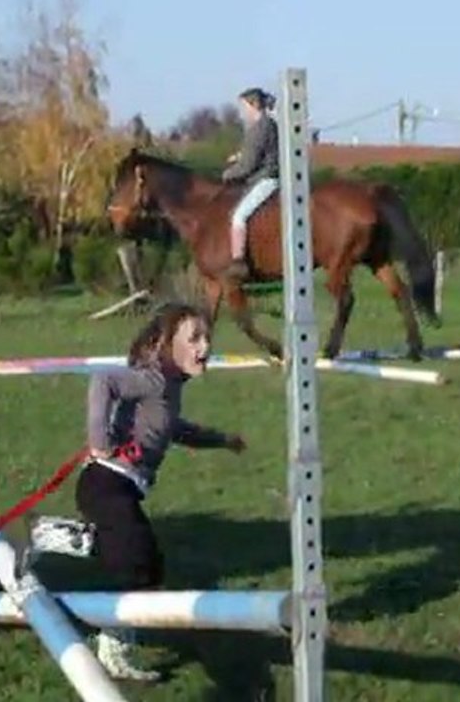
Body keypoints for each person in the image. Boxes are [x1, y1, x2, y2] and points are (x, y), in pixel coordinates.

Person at [75, 301, 247, 681]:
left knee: (149, 565)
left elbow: (176, 429)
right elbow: (102, 380)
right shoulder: (152, 378)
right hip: (106, 482)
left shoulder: (169, 387)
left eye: (207, 337)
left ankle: (66, 539)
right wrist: (98, 440)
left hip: (117, 487)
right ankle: (113, 647)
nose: (205, 347)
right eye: (194, 338)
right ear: (165, 344)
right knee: (137, 560)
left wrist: (222, 440)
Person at [220, 86, 280, 282]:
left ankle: (239, 262)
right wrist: (238, 157)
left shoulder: (260, 128)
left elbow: (248, 165)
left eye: (244, 106)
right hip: (264, 175)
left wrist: (227, 175)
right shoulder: (266, 124)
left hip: (265, 179)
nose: (243, 112)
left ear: (253, 105)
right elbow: (256, 154)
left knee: (238, 216)